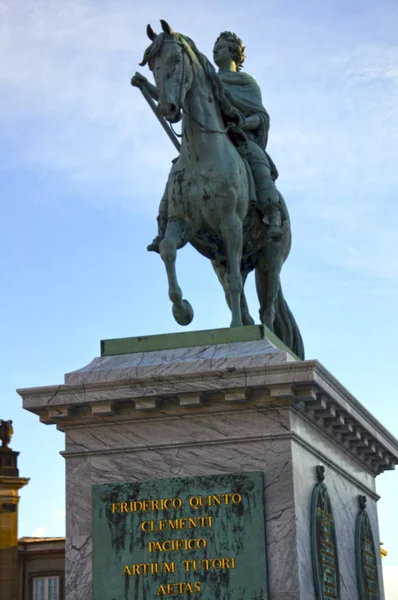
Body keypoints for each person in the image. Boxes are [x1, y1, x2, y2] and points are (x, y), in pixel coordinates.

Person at [132, 31, 282, 251]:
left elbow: (261, 117)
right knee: (176, 172)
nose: (215, 49)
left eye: (221, 46)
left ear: (233, 52)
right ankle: (164, 225)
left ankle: (273, 213)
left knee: (257, 160)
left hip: (238, 138)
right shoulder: (206, 78)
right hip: (206, 141)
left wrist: (243, 124)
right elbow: (175, 97)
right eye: (215, 45)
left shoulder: (246, 82)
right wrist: (148, 86)